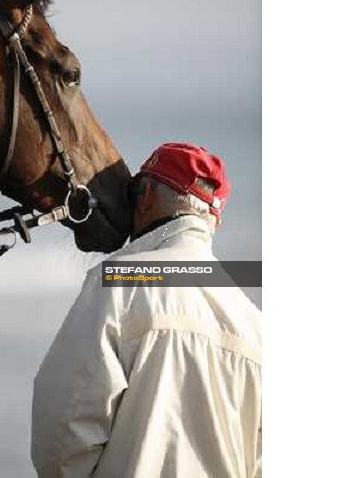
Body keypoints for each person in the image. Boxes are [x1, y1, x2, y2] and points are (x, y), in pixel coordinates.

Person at [31, 142, 262, 478]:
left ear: (146, 196)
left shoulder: (119, 282)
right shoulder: (254, 323)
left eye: (134, 191)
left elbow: (64, 431)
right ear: (214, 219)